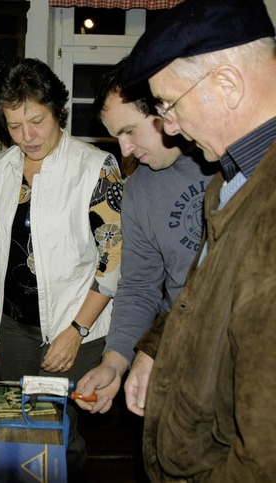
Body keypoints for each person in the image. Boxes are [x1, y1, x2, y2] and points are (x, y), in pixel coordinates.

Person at [120, 0, 276, 479]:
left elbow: (263, 456)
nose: (168, 126)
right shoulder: (229, 181)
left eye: (168, 104)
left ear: (226, 85)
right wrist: (154, 348)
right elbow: (204, 299)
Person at [0, 57, 123, 480]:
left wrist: (75, 332)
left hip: (75, 327)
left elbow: (111, 263)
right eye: (15, 126)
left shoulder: (96, 167)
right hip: (15, 329)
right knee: (19, 426)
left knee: (61, 430)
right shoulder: (0, 167)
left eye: (37, 121)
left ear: (58, 109)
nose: (28, 136)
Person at [75, 59, 218, 414]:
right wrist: (115, 360)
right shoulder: (138, 190)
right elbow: (139, 287)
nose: (124, 150)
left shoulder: (230, 161)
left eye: (130, 131)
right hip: (177, 357)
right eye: (115, 136)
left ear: (163, 109)